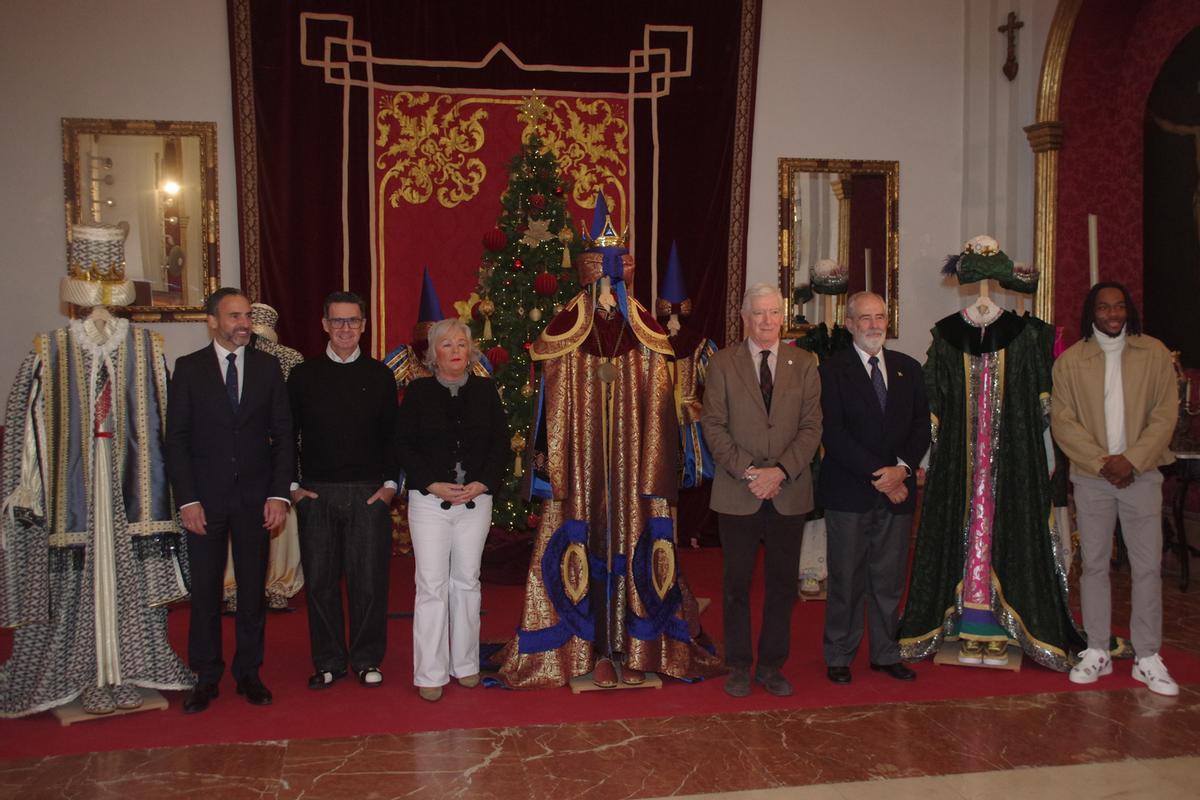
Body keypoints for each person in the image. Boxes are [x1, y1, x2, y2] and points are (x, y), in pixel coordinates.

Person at [499, 199, 723, 688]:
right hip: (584, 468)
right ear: (588, 272)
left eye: (614, 270)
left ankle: (638, 644)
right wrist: (557, 463)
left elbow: (662, 397)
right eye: (601, 271)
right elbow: (551, 396)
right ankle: (592, 649)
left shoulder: (642, 327)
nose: (607, 282)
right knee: (585, 541)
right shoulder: (567, 329)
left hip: (633, 470)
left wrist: (657, 463)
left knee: (636, 541)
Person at [0, 232, 193, 716]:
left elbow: (168, 423)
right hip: (74, 488)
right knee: (73, 580)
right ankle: (81, 669)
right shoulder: (50, 349)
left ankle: (128, 667)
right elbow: (28, 426)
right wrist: (29, 486)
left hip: (133, 490)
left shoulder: (149, 349)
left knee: (132, 578)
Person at [898, 237, 1085, 670]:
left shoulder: (1025, 337)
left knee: (1007, 534)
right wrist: (926, 463)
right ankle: (968, 623)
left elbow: (1043, 407)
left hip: (1013, 463)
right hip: (959, 468)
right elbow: (932, 408)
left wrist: (1047, 464)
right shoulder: (945, 336)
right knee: (963, 536)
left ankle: (999, 628)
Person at [166, 287, 294, 713]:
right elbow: (177, 441)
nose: (244, 324)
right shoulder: (188, 369)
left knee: (253, 591)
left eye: (247, 317)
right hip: (205, 501)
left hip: (256, 501)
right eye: (235, 316)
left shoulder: (268, 367)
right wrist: (187, 501)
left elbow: (283, 436)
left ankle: (248, 673)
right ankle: (205, 676)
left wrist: (279, 494)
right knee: (205, 593)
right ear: (213, 320)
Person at [1051, 282, 1179, 695]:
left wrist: (1133, 460)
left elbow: (1164, 414)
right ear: (1091, 311)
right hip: (1094, 478)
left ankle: (1147, 656)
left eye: (1119, 306)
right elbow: (1063, 421)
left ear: (1128, 311)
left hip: (1141, 475)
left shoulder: (1154, 354)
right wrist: (1103, 463)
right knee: (1094, 566)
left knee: (1146, 568)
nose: (1112, 313)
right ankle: (1096, 650)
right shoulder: (1071, 362)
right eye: (1104, 306)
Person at [701, 283, 823, 697]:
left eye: (773, 313)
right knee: (736, 584)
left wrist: (781, 472)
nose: (767, 321)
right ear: (744, 316)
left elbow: (811, 427)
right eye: (759, 314)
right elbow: (712, 425)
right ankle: (738, 665)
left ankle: (771, 666)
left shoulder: (805, 363)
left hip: (789, 491)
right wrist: (749, 471)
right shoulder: (721, 364)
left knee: (782, 584)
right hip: (739, 491)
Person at [288, 291, 398, 690]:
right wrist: (294, 487)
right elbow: (286, 435)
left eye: (353, 321)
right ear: (324, 325)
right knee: (319, 584)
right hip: (316, 493)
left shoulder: (380, 376)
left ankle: (367, 659)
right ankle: (330, 660)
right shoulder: (302, 377)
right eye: (338, 321)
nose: (346, 328)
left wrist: (389, 488)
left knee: (368, 583)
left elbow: (393, 437)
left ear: (364, 326)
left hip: (368, 494)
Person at [817, 292, 928, 685]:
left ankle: (885, 652)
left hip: (897, 492)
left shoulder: (908, 368)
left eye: (880, 317)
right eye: (865, 318)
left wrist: (901, 469)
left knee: (889, 578)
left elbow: (920, 427)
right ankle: (840, 654)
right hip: (850, 491)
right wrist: (880, 475)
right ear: (849, 324)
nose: (874, 325)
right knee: (846, 578)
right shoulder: (831, 371)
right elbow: (834, 432)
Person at [396, 318, 508, 701]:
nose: (456, 351)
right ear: (434, 354)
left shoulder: (485, 391)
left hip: (476, 502)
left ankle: (466, 665)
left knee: (467, 581)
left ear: (471, 350)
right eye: (447, 345)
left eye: (462, 344)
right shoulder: (418, 392)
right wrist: (430, 482)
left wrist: (482, 482)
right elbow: (404, 446)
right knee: (431, 585)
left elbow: (500, 445)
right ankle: (430, 671)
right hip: (429, 503)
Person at [223, 302, 305, 612]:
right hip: (240, 458)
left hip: (279, 454)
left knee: (280, 519)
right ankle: (236, 586)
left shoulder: (289, 359)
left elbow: (293, 415)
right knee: (238, 520)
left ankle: (277, 584)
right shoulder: (226, 360)